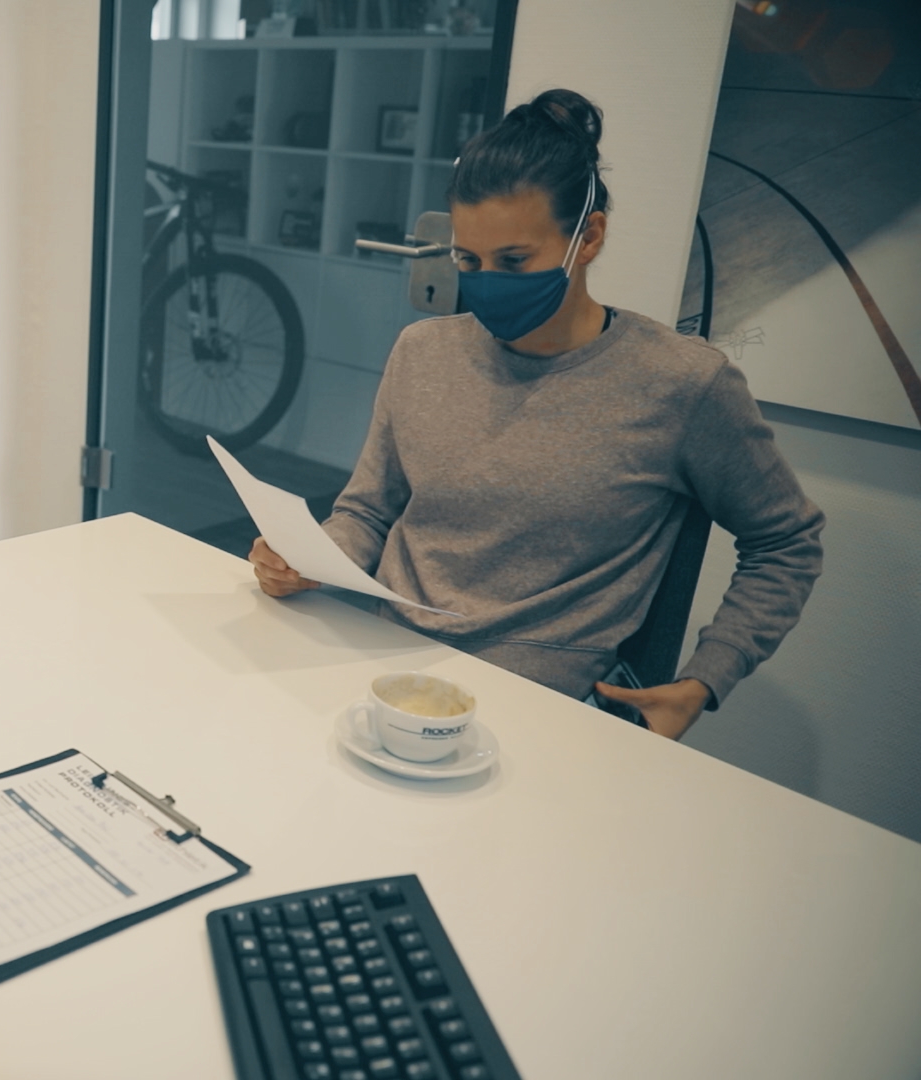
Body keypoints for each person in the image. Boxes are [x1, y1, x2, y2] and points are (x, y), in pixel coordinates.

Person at [249, 89, 823, 740]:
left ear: (589, 238)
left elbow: (786, 543)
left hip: (539, 715)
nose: (488, 280)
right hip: (385, 675)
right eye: (469, 260)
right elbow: (367, 511)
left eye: (514, 260)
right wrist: (308, 557)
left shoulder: (681, 384)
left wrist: (703, 679)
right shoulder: (423, 352)